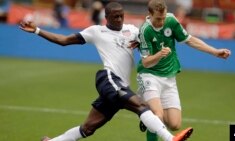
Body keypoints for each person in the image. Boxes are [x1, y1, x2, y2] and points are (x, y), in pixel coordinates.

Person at [19, 2, 193, 141]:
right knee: (142, 106)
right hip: (109, 78)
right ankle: (170, 139)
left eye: (121, 16)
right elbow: (63, 40)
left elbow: (149, 39)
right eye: (115, 16)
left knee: (88, 128)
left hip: (120, 88)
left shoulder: (132, 30)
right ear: (106, 17)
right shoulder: (96, 31)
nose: (119, 19)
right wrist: (37, 30)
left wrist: (143, 42)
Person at [137, 0, 231, 141]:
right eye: (158, 19)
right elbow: (146, 62)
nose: (162, 22)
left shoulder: (171, 20)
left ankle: (147, 117)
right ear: (149, 14)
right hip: (149, 75)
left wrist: (215, 51)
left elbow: (189, 40)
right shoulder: (145, 30)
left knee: (175, 124)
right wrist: (159, 54)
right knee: (158, 115)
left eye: (163, 18)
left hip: (169, 77)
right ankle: (151, 117)